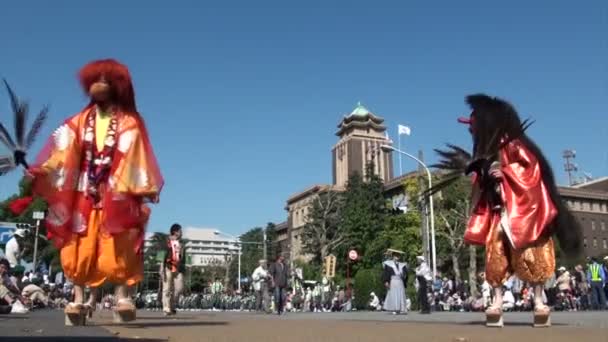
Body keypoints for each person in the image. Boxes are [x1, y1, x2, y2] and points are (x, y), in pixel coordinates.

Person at [28, 59, 164, 323]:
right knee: (78, 244)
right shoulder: (77, 122)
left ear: (116, 86)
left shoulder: (129, 123)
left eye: (105, 79)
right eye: (95, 78)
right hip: (82, 192)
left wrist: (130, 186)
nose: (98, 84)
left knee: (119, 244)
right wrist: (44, 169)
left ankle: (123, 296)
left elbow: (135, 155)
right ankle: (77, 300)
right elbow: (63, 150)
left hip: (117, 192)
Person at [432, 94, 582, 327]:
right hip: (499, 213)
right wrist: (483, 174)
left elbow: (530, 170)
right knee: (496, 255)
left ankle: (539, 302)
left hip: (523, 212)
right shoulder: (489, 149)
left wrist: (506, 173)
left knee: (532, 254)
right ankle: (497, 302)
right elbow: (482, 180)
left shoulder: (513, 144)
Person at [160, 223, 185, 316]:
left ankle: (172, 305)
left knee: (179, 288)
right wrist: (161, 268)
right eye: (180, 230)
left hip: (178, 269)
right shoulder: (166, 241)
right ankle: (166, 308)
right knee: (167, 288)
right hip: (168, 266)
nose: (182, 232)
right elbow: (162, 255)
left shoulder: (181, 244)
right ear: (175, 232)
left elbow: (182, 257)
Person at [382, 249, 408, 314]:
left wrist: (404, 276)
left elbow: (405, 274)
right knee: (393, 294)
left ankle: (401, 309)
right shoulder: (388, 264)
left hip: (400, 281)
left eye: (398, 256)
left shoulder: (402, 265)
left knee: (401, 294)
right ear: (393, 256)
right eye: (396, 255)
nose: (397, 257)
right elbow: (386, 273)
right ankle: (394, 309)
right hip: (393, 280)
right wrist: (386, 281)